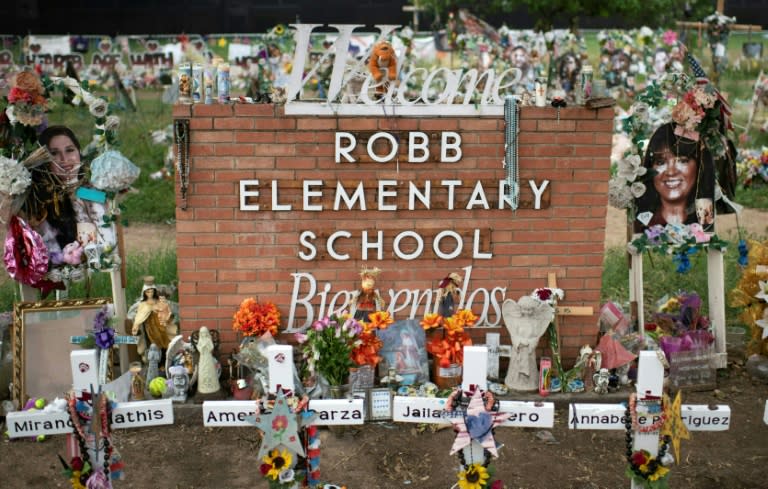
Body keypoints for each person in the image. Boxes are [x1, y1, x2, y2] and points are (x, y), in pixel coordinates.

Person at [634, 122, 716, 233]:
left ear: (699, 166)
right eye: (660, 162)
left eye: (682, 161)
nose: (671, 172)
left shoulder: (705, 214)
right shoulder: (644, 220)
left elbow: (707, 240)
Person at [132, 276, 171, 362]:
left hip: (160, 325)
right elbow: (139, 316)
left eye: (152, 291)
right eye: (148, 291)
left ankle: (164, 359)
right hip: (150, 327)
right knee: (154, 343)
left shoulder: (158, 301)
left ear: (154, 291)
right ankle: (157, 360)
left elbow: (165, 309)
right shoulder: (143, 304)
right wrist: (136, 325)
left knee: (164, 341)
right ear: (144, 292)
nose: (150, 293)